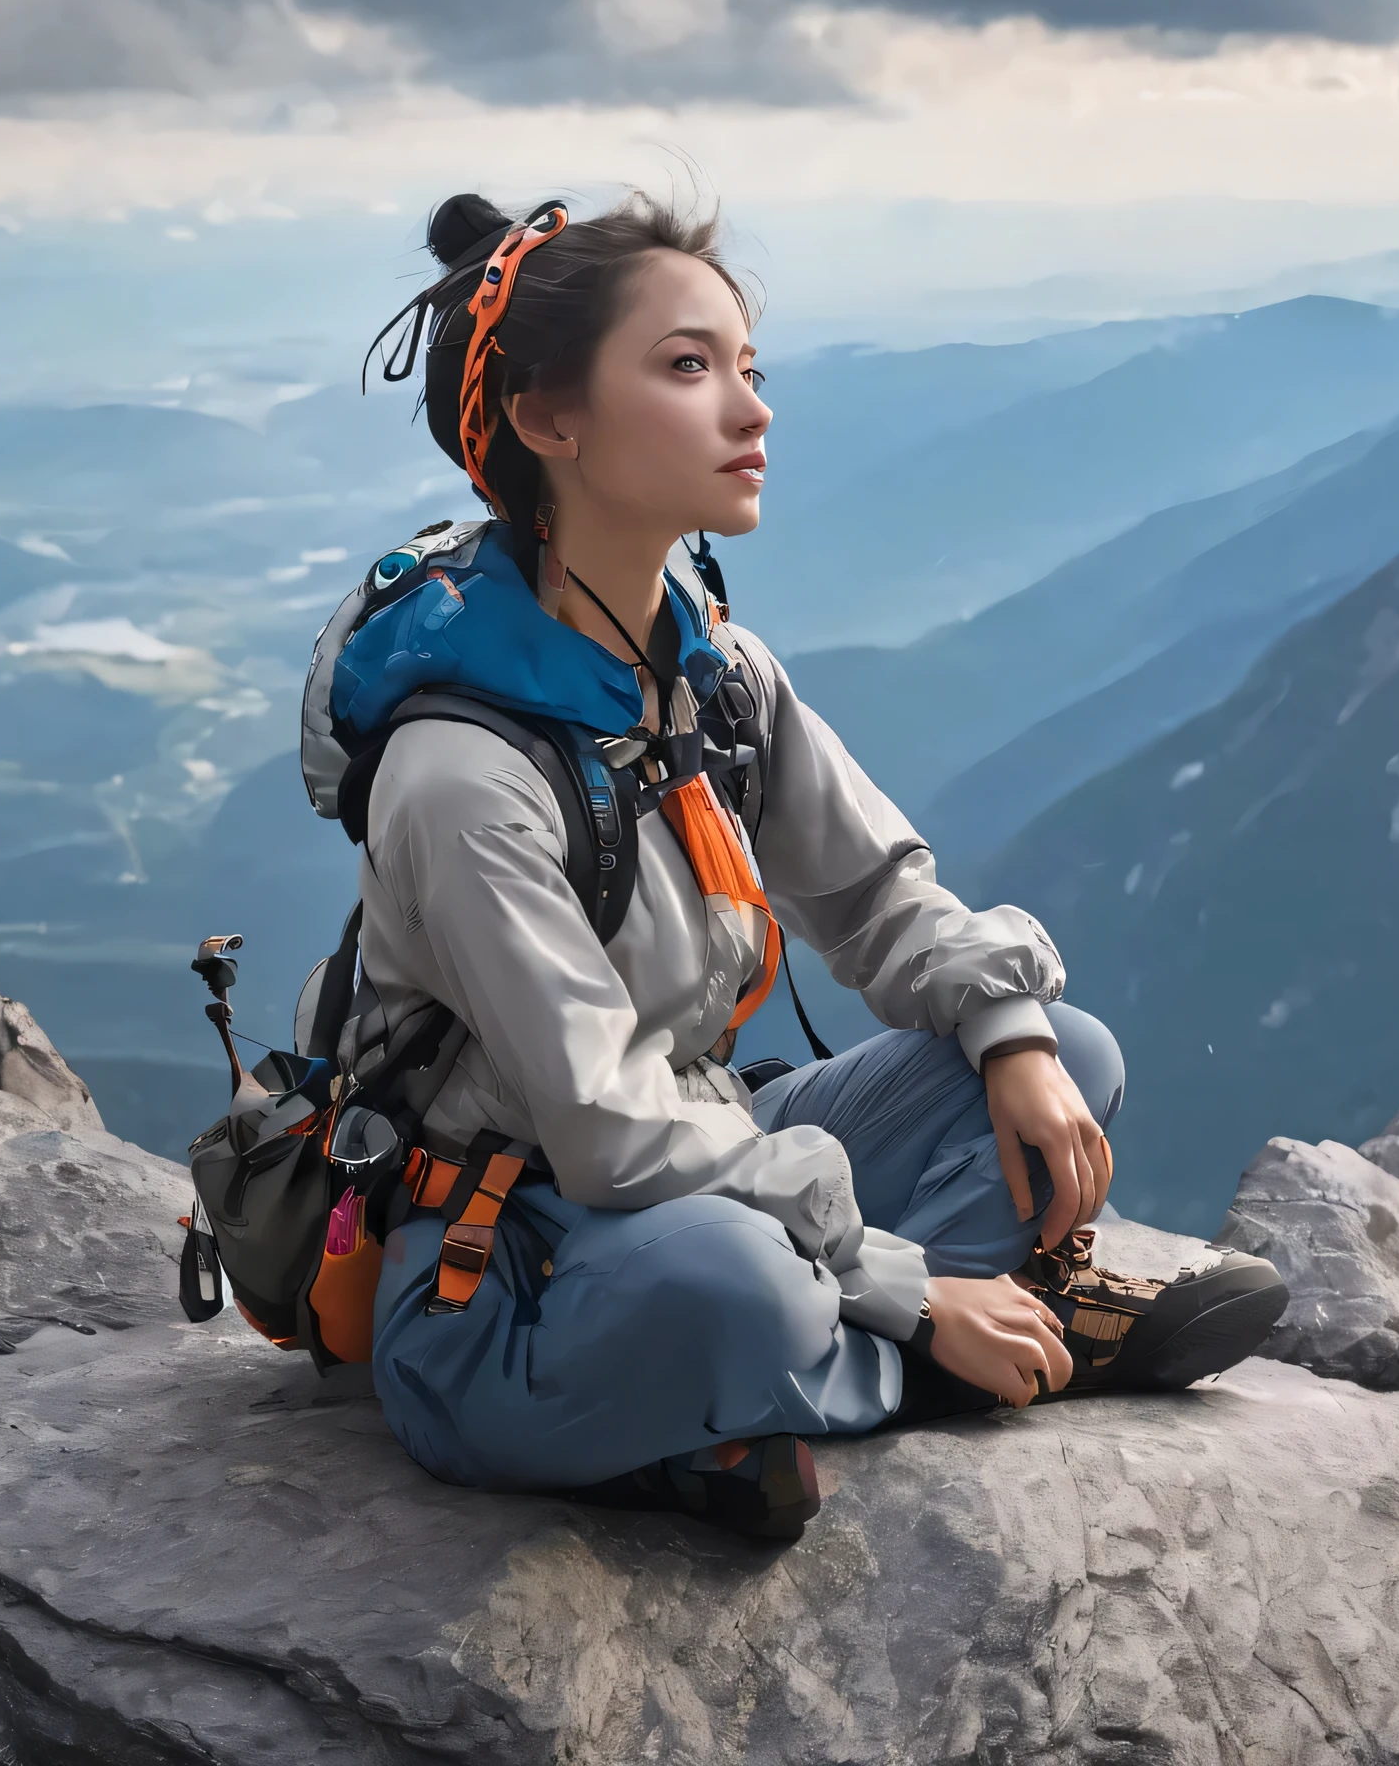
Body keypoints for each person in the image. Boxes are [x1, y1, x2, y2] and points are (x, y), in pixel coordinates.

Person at [343, 191, 1285, 1540]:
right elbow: (607, 1138)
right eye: (686, 367)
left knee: (1063, 1062)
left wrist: (1004, 1028)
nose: (751, 409)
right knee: (740, 1286)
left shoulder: (711, 678)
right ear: (548, 422)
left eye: (745, 367)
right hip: (516, 1276)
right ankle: (976, 1342)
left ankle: (805, 1394)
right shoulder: (461, 779)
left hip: (710, 1160)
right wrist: (907, 1287)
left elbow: (873, 897)